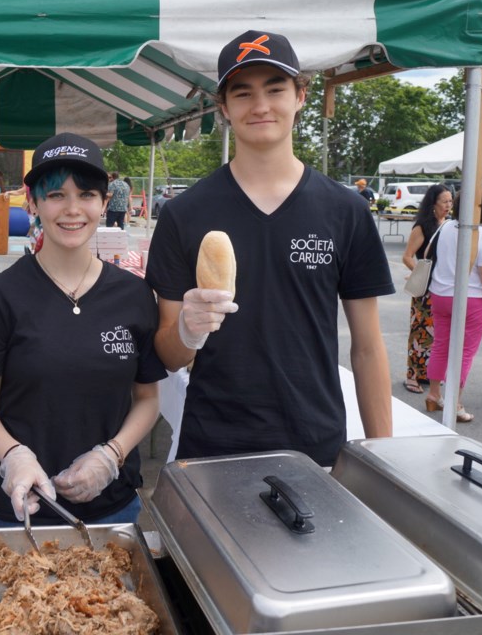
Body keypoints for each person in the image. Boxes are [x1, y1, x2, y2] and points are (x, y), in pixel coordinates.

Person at [145, 30, 394, 467]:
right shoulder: (183, 213)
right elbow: (169, 353)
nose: (260, 106)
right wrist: (188, 330)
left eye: (275, 89)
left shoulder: (346, 211)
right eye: (243, 93)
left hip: (315, 445)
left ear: (300, 95)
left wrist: (384, 460)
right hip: (212, 444)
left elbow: (368, 347)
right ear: (223, 108)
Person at [0, 133, 166, 526]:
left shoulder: (135, 295)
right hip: (21, 511)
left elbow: (147, 399)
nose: (72, 209)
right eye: (56, 195)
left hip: (113, 508)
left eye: (87, 194)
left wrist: (112, 455)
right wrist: (14, 457)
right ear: (33, 203)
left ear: (105, 203)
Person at [424, 190, 482, 422]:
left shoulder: (445, 227)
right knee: (465, 351)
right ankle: (455, 402)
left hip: (440, 294)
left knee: (440, 346)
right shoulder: (481, 235)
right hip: (470, 298)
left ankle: (434, 394)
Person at [400, 184, 453, 394]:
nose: (449, 205)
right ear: (433, 205)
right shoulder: (422, 226)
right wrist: (421, 272)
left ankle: (428, 374)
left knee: (438, 333)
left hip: (442, 287)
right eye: (445, 202)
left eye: (451, 201)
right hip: (425, 289)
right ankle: (412, 376)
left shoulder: (449, 225)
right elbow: (407, 256)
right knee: (420, 331)